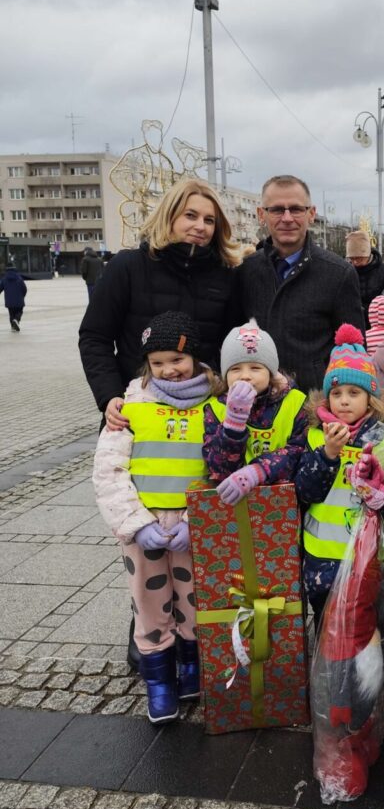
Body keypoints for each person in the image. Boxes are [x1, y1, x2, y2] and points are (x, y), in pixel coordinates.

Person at [79, 177, 243, 669]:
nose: (198, 227)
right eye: (190, 215)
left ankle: (194, 643)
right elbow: (94, 337)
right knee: (142, 541)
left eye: (209, 219)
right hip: (140, 419)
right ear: (170, 215)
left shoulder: (226, 275)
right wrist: (110, 397)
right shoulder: (128, 267)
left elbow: (231, 345)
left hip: (200, 423)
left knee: (193, 551)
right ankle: (149, 632)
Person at [92, 312, 220, 723]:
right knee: (150, 604)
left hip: (190, 527)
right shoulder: (131, 407)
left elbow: (219, 469)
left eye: (177, 360)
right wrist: (136, 523)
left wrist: (194, 520)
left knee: (194, 600)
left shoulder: (215, 406)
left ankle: (191, 667)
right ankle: (159, 683)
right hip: (143, 527)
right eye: (159, 362)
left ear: (195, 360)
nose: (169, 370)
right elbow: (109, 471)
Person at [294, 325, 384, 621]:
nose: (344, 400)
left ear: (371, 397)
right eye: (336, 392)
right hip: (325, 560)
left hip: (374, 558)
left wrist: (380, 492)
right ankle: (331, 669)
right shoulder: (315, 437)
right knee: (327, 627)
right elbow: (305, 492)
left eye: (354, 392)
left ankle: (367, 669)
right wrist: (328, 456)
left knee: (367, 627)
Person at [240, 176, 364, 393]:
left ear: (311, 214)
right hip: (255, 403)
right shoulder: (245, 270)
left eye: (296, 209)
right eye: (277, 209)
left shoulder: (339, 274)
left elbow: (353, 351)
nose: (287, 218)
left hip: (312, 406)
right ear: (262, 214)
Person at [203, 319, 308, 497]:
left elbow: (299, 452)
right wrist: (233, 426)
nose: (245, 376)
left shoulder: (295, 402)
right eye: (235, 369)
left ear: (271, 372)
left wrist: (258, 471)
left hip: (280, 505)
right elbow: (218, 470)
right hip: (235, 506)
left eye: (255, 368)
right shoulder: (215, 408)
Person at [345, 230, 384, 328]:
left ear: (368, 253)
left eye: (358, 258)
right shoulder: (347, 270)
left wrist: (381, 317)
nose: (355, 262)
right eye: (351, 258)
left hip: (378, 324)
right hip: (353, 324)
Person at [0, 265, 27, 332]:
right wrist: (22, 296)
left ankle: (13, 326)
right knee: (19, 311)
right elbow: (24, 289)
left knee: (11, 313)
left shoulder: (4, 279)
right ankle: (16, 320)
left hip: (9, 301)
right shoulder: (19, 278)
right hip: (19, 300)